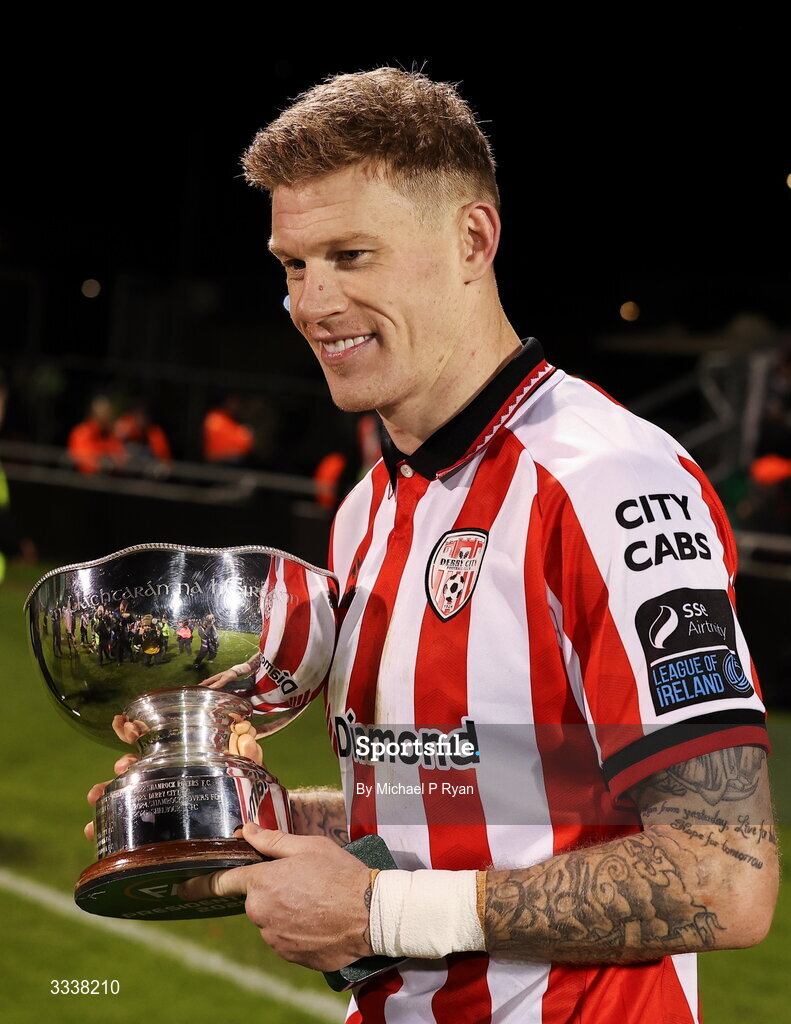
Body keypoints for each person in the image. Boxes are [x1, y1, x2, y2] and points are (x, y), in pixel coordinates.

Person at [87, 68, 778, 1023]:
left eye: (352, 256)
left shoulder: (606, 482)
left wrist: (376, 911)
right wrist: (251, 818)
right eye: (293, 264)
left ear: (472, 240)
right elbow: (472, 803)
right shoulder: (368, 508)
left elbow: (724, 875)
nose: (312, 302)